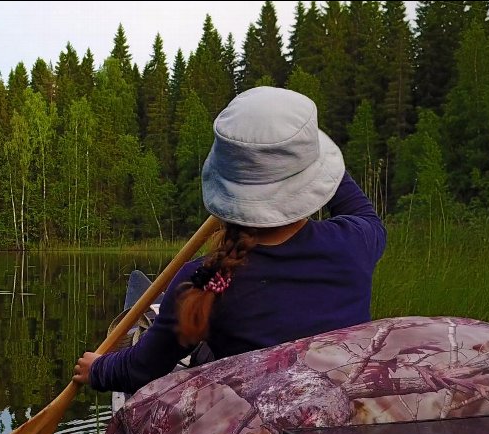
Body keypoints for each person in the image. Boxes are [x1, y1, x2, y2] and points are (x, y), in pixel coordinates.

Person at [72, 86, 386, 395]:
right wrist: (308, 150)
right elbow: (360, 209)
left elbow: (141, 370)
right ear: (312, 183)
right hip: (337, 419)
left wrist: (97, 369)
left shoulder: (203, 283)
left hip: (251, 432)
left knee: (204, 354)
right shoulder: (356, 243)